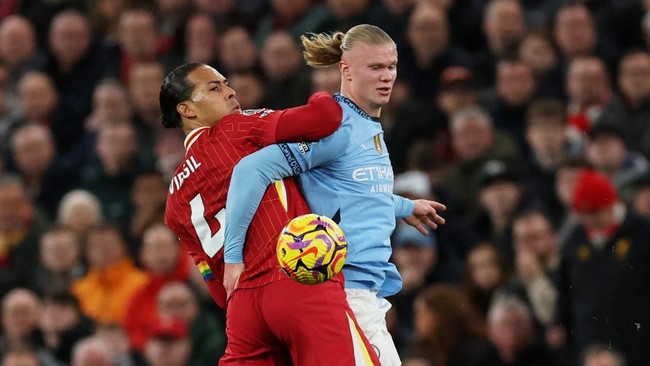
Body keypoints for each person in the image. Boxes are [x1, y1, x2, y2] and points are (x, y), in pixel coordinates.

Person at [224, 24, 446, 366]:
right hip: (343, 288)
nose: (386, 76)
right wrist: (233, 255)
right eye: (375, 67)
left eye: (391, 66)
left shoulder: (365, 124)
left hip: (364, 291)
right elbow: (251, 170)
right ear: (345, 69)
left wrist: (403, 206)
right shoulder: (337, 126)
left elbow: (355, 192)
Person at [159, 62, 380, 365]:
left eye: (225, 83)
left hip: (243, 314)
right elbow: (325, 118)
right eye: (214, 88)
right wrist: (322, 93)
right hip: (297, 281)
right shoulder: (233, 128)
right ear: (187, 110)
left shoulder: (174, 200)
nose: (229, 91)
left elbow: (215, 286)